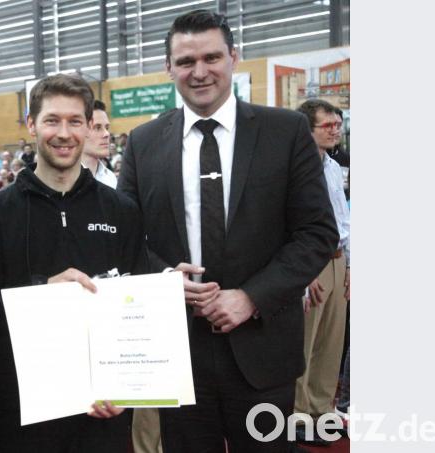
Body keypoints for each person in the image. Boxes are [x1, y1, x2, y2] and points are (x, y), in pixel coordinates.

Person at [117, 10, 338, 452]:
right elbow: (126, 238)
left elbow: (317, 232)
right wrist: (164, 280)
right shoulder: (142, 142)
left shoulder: (285, 131)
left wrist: (252, 296)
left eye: (212, 57)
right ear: (168, 67)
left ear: (234, 57)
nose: (199, 72)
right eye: (185, 61)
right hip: (177, 352)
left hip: (263, 349)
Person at [0, 73, 149, 453]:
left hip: (103, 412)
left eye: (74, 121)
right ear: (31, 125)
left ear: (87, 126)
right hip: (24, 414)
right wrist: (42, 293)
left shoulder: (122, 211)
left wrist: (126, 387)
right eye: (52, 120)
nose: (63, 133)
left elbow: (140, 306)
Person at [294, 99, 351, 445]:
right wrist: (303, 271)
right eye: (327, 126)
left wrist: (352, 266)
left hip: (338, 257)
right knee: (305, 342)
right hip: (310, 263)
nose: (335, 130)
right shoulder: (295, 168)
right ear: (307, 129)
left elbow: (345, 219)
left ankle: (320, 410)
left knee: (332, 341)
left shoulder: (333, 166)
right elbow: (288, 225)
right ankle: (298, 414)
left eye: (337, 124)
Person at [80, 100, 118, 188]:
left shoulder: (110, 178)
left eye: (107, 128)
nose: (107, 134)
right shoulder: (64, 180)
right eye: (97, 127)